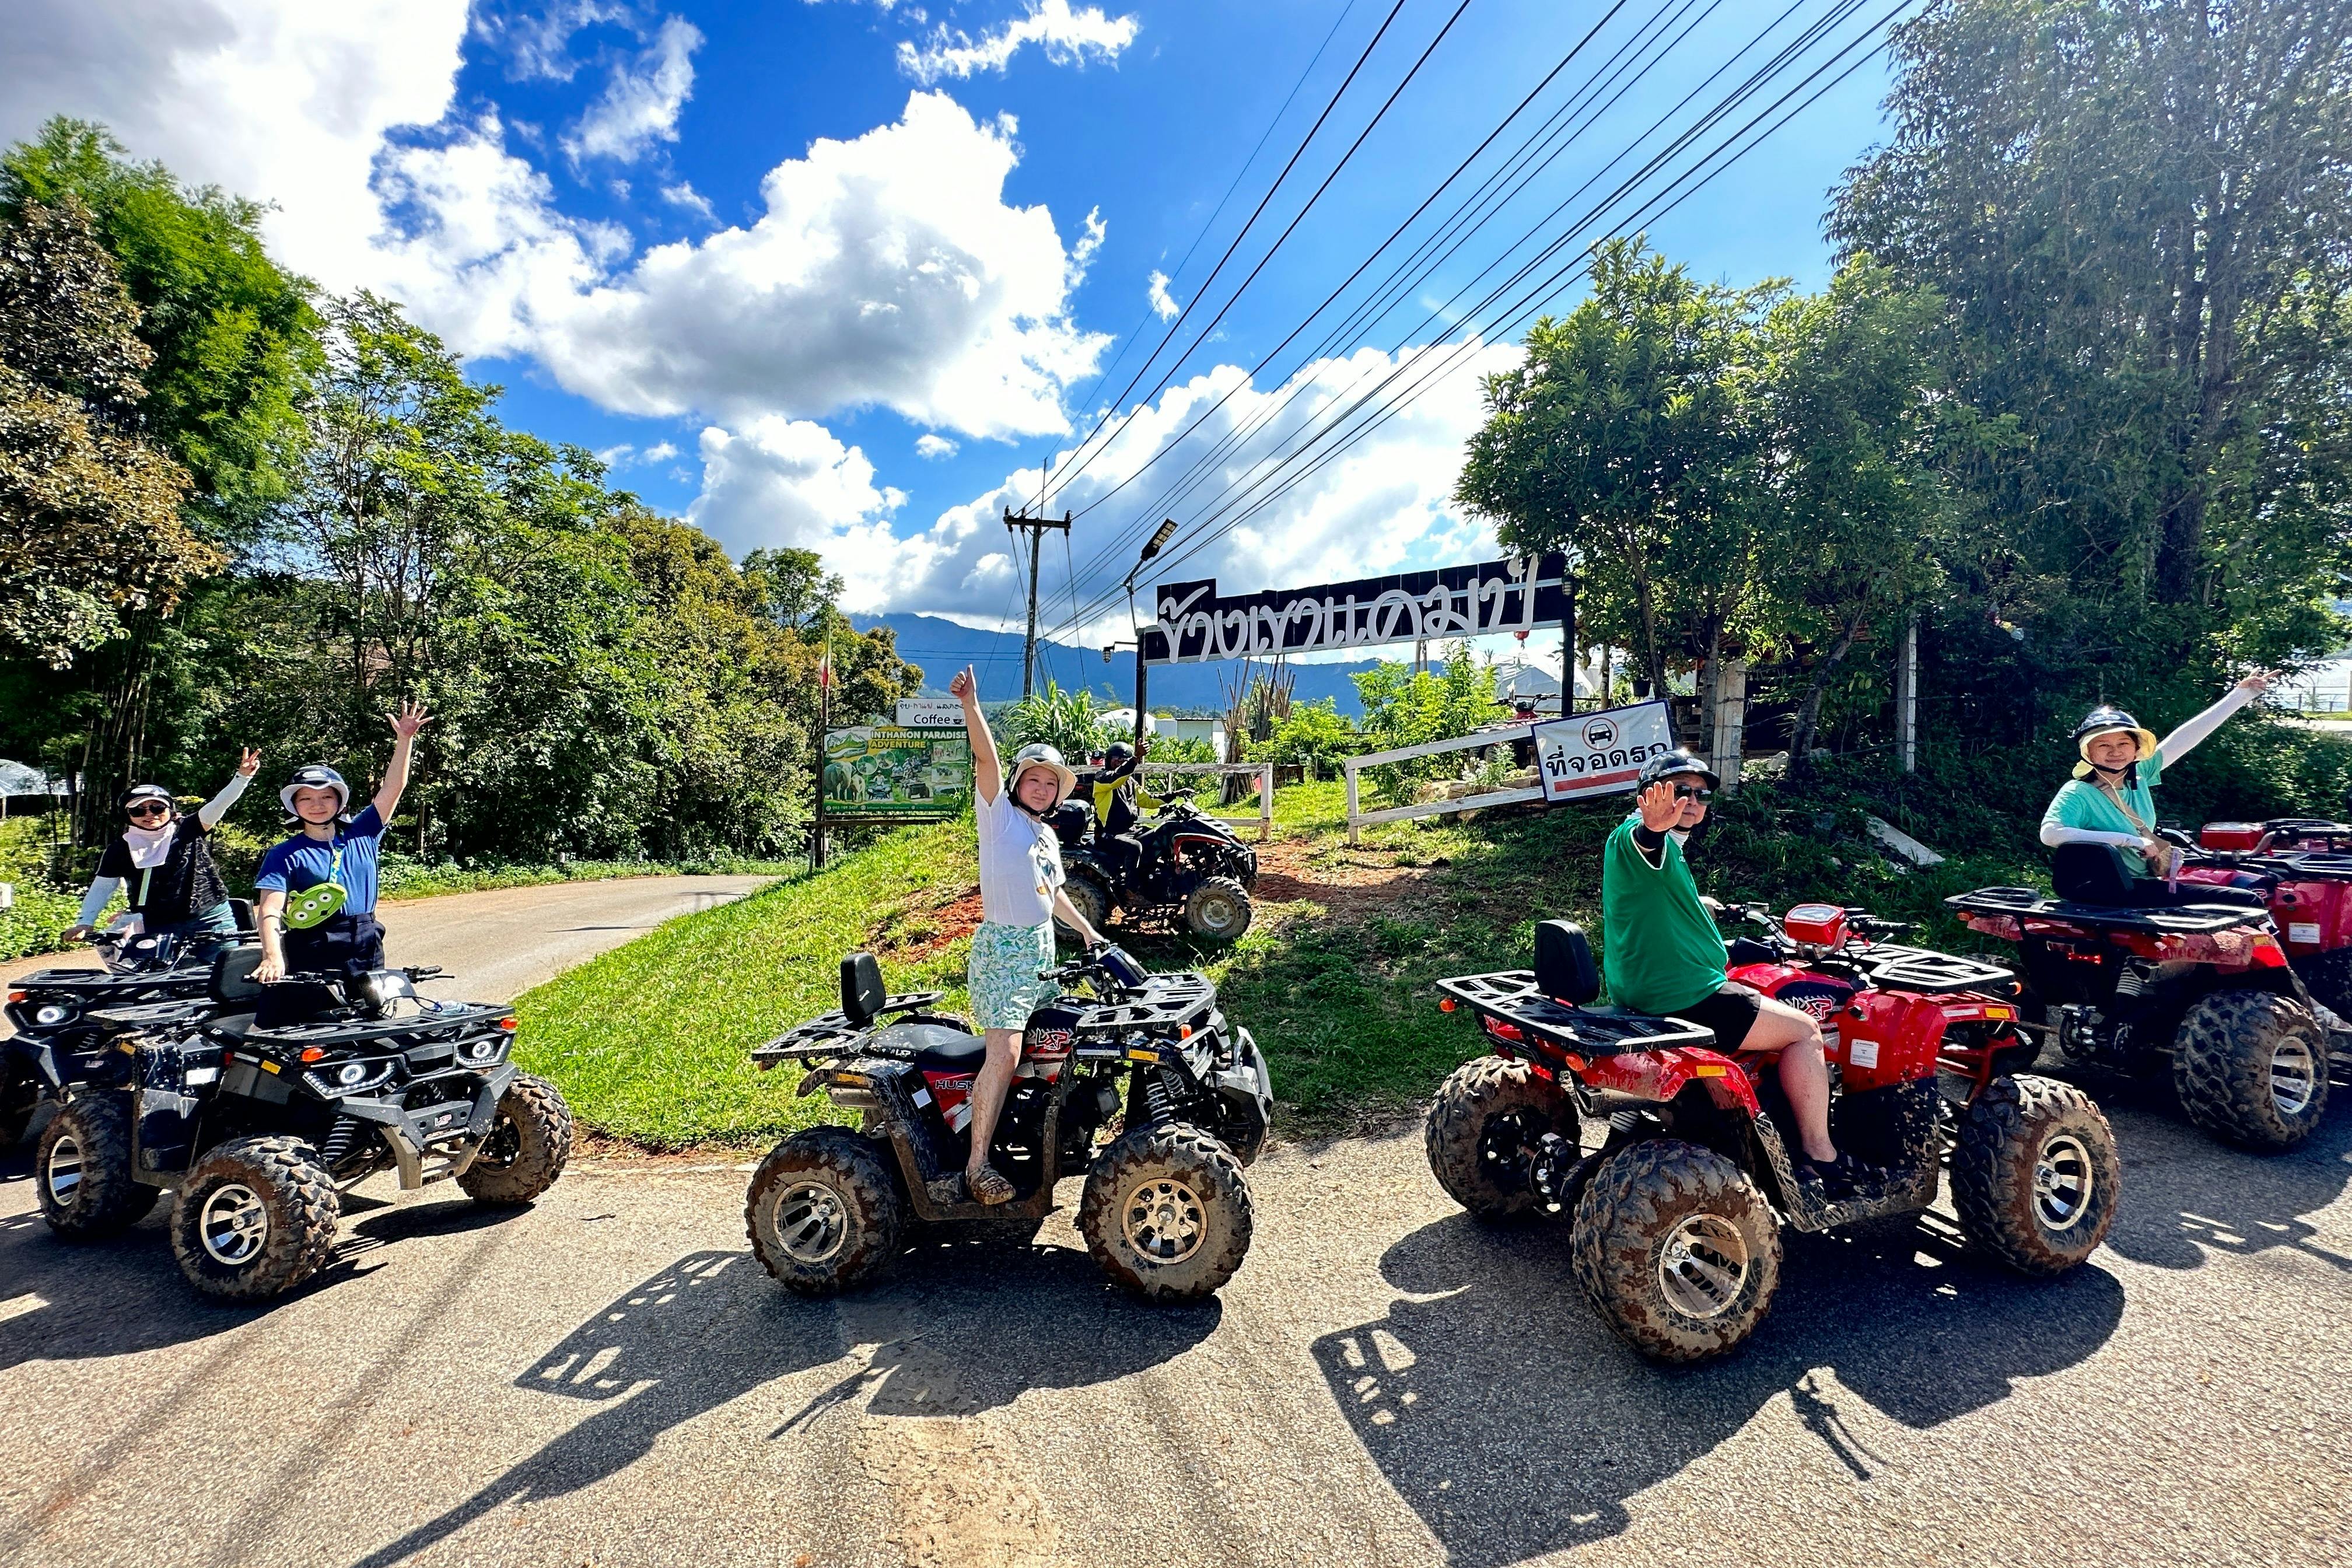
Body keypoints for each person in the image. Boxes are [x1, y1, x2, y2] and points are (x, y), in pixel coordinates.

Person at [1601, 749, 1877, 1199]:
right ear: (1649, 795)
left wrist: (1716, 934)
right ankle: (1820, 1152)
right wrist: (1652, 826)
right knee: (1805, 1030)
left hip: (1646, 986)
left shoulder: (1669, 850)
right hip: (1686, 995)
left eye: (1701, 793)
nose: (1691, 800)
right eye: (1679, 790)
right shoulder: (1637, 836)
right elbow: (1645, 843)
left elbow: (1655, 899)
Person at [951, 666, 1104, 1205]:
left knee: (1063, 1039)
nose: (1041, 788)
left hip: (1042, 951)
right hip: (1003, 954)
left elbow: (1054, 894)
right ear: (1018, 783)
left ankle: (1041, 1134)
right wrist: (973, 706)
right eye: (1034, 779)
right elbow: (986, 760)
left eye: (1050, 783)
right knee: (1006, 1053)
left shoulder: (1044, 835)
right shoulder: (999, 820)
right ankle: (976, 1166)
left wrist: (1088, 933)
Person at [252, 701, 430, 1021]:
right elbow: (269, 910)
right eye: (305, 798)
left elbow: (394, 787)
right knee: (313, 1024)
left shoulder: (363, 832)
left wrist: (405, 740)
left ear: (339, 800)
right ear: (294, 806)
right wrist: (272, 957)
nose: (316, 805)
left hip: (365, 938)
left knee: (371, 1020)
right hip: (313, 942)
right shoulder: (284, 853)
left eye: (325, 797)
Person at [2041, 674, 2274, 877]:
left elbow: (2184, 739)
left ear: (2136, 749)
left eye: (2124, 743)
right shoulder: (2078, 791)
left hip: (2146, 881)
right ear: (2087, 752)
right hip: (2111, 888)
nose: (2115, 752)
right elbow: (2051, 834)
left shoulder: (2138, 774)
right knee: (2243, 901)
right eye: (2103, 745)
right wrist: (2129, 840)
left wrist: (2241, 695)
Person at [63, 749, 262, 954]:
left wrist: (242, 777)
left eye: (158, 808)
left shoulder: (189, 828)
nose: (150, 815)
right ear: (128, 816)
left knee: (221, 976)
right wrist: (85, 923)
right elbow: (102, 887)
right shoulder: (120, 848)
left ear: (170, 810)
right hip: (157, 924)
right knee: (160, 981)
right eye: (139, 810)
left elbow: (219, 805)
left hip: (210, 918)